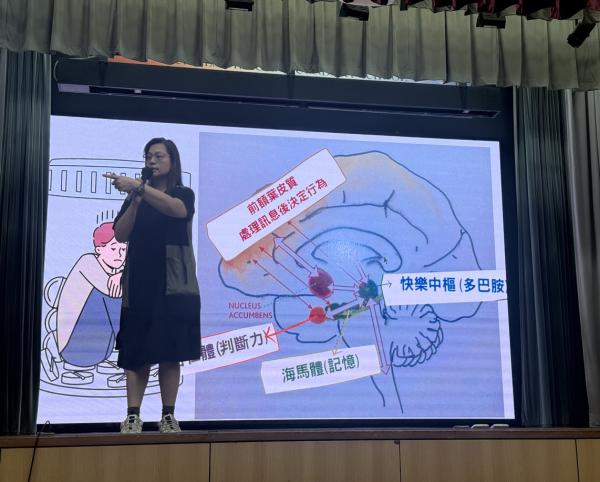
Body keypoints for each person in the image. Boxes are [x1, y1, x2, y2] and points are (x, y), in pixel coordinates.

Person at [104, 138, 200, 434]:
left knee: (171, 352)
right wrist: (135, 199)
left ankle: (168, 415)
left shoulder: (182, 192)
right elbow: (120, 234)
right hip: (139, 281)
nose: (152, 161)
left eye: (159, 156)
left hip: (174, 282)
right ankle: (133, 416)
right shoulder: (138, 195)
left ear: (173, 161)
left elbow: (177, 210)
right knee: (136, 351)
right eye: (148, 156)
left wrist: (138, 187)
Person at [57, 222, 126, 369]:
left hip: (101, 348)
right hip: (74, 349)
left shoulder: (115, 271)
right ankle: (132, 346)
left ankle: (135, 345)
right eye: (113, 248)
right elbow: (113, 292)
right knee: (111, 295)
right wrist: (123, 276)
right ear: (99, 249)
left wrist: (122, 274)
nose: (119, 254)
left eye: (123, 249)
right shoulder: (87, 262)